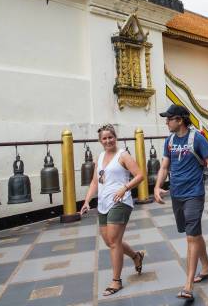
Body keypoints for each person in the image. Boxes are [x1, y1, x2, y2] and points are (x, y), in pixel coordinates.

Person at [154, 104, 208, 301]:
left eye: (169, 118)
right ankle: (206, 268)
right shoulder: (169, 140)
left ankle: (188, 285)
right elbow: (164, 166)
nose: (166, 122)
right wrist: (156, 187)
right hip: (176, 194)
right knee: (194, 234)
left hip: (194, 194)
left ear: (179, 120)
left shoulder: (197, 138)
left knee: (191, 237)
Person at [80, 124, 145, 296]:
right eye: (104, 138)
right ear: (100, 141)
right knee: (110, 241)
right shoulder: (100, 156)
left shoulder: (123, 155)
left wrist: (125, 188)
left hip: (121, 201)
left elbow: (140, 175)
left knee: (114, 241)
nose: (108, 140)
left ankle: (116, 281)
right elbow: (95, 182)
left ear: (115, 137)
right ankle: (136, 256)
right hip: (103, 203)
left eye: (111, 137)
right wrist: (87, 201)